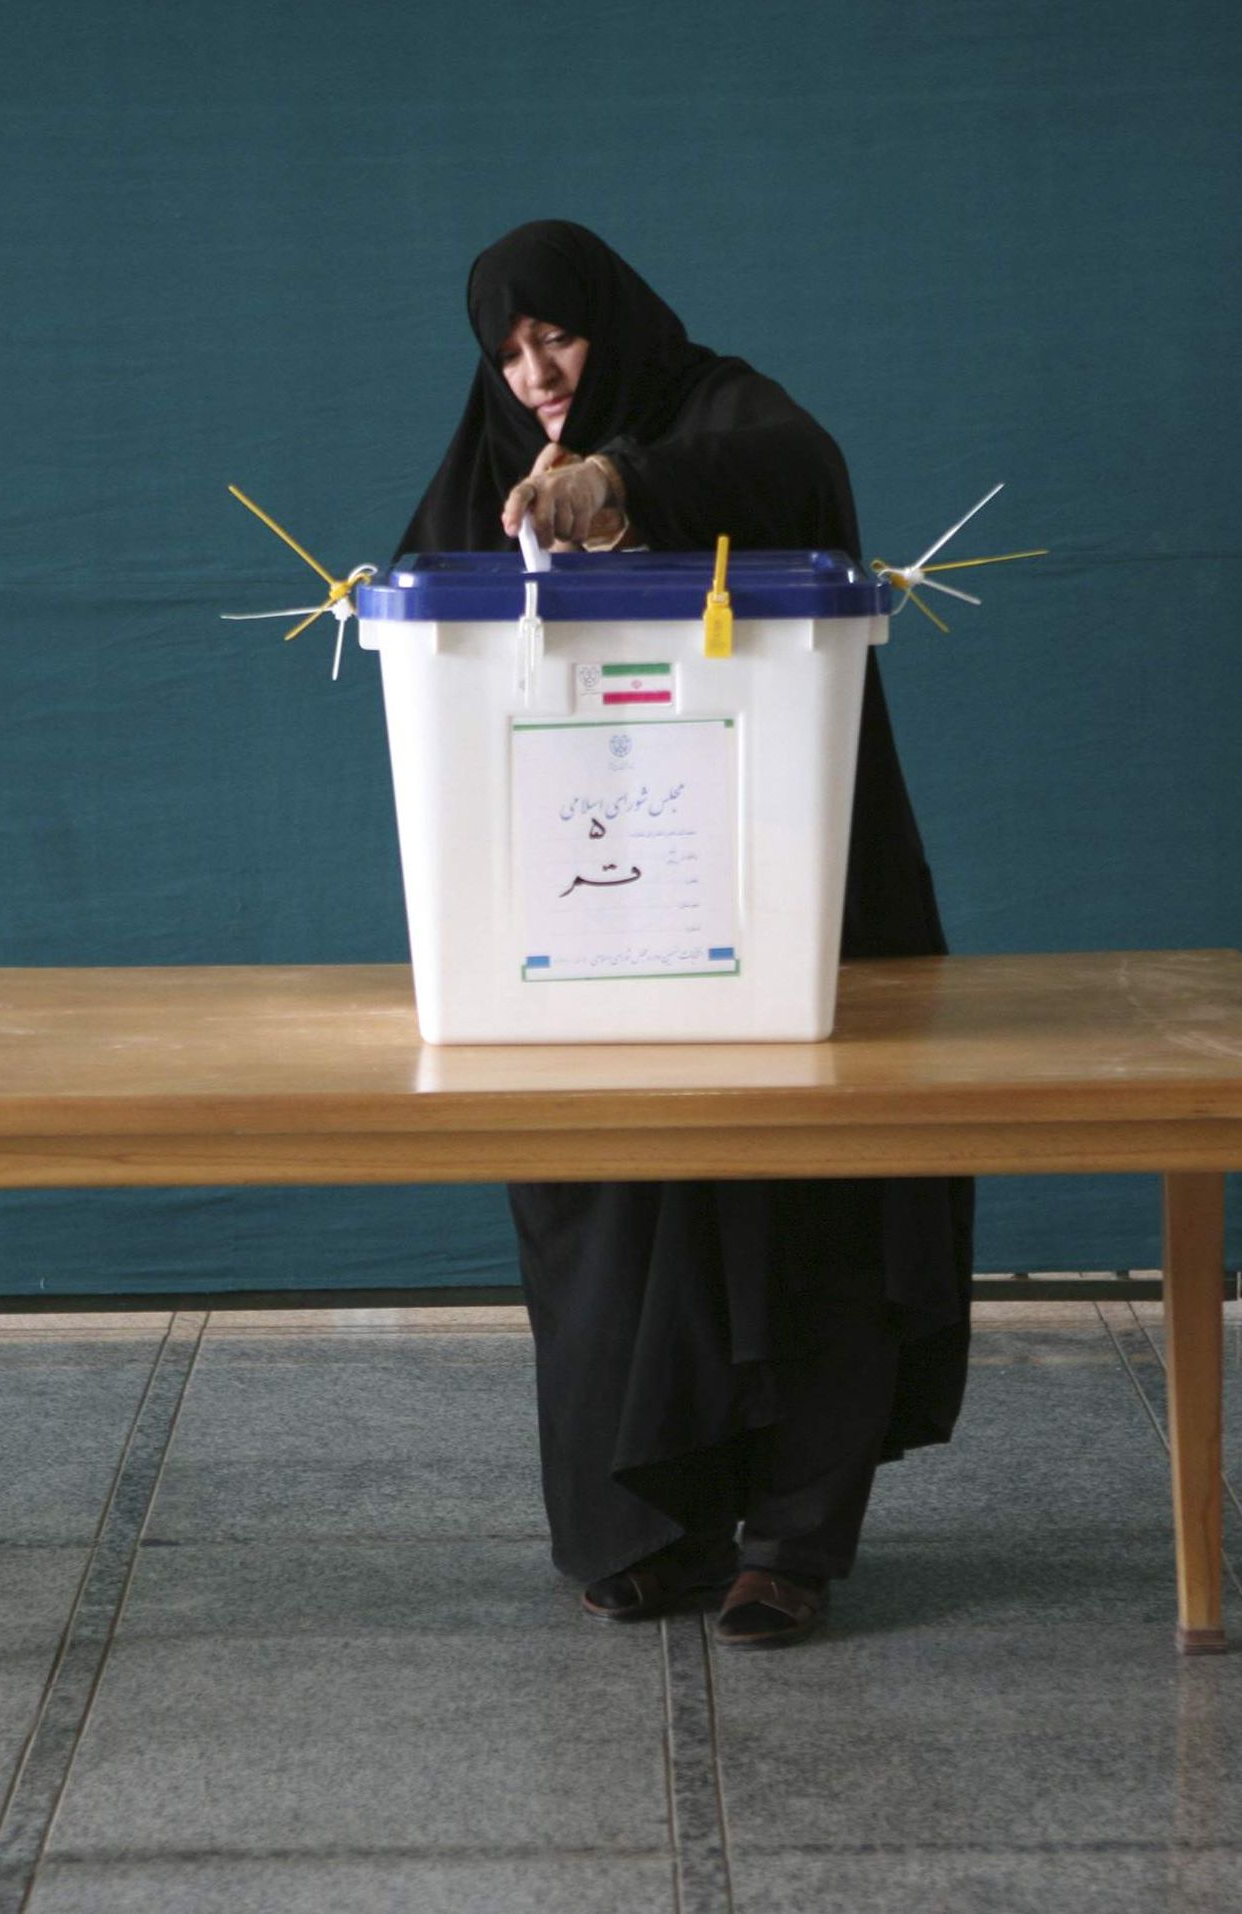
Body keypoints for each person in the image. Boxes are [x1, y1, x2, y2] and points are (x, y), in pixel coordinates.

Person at [399, 220, 974, 1649]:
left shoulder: (717, 408)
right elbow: (430, 619)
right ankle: (647, 1531)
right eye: (508, 352)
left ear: (615, 323)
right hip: (573, 922)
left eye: (557, 337)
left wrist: (621, 487)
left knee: (799, 1197)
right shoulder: (484, 463)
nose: (536, 375)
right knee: (604, 1202)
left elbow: (802, 476)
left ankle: (790, 1543)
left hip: (783, 897)